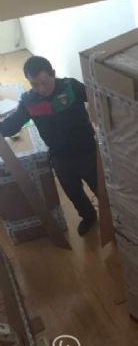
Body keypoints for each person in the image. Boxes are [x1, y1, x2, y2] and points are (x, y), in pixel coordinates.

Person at [0, 56, 98, 236]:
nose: (41, 88)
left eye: (45, 82)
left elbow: (97, 98)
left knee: (100, 187)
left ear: (53, 73)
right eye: (35, 84)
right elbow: (11, 125)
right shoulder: (29, 101)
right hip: (60, 156)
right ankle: (88, 216)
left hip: (86, 150)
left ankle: (115, 216)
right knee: (73, 192)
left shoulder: (71, 86)